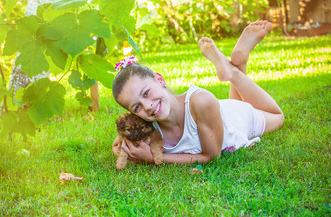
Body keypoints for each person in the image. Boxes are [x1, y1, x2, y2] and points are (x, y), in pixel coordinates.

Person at [112, 20, 284, 164]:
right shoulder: (146, 125)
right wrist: (122, 144)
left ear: (159, 79)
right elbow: (126, 134)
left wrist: (154, 158)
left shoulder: (201, 101)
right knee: (235, 103)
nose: (147, 106)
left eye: (146, 93)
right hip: (220, 116)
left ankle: (233, 73)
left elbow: (211, 156)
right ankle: (240, 59)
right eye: (136, 107)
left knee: (277, 117)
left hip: (240, 119)